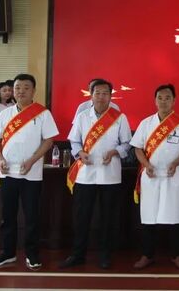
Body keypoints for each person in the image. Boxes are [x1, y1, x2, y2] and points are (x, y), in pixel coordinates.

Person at [0, 73, 59, 270]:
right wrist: (1, 159)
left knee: (32, 216)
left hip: (31, 173)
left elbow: (49, 141)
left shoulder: (42, 113)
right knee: (7, 215)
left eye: (26, 88)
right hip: (7, 173)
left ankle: (32, 253)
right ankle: (7, 253)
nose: (21, 91)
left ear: (33, 91)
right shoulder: (5, 114)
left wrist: (32, 161)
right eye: (17, 88)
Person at [60, 79, 132, 270]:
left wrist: (115, 151)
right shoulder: (83, 116)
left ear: (111, 96)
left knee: (108, 218)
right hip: (86, 173)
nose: (101, 97)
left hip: (110, 174)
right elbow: (74, 141)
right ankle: (78, 254)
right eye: (97, 93)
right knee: (82, 216)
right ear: (91, 95)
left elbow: (126, 144)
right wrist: (79, 153)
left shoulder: (119, 117)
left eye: (105, 93)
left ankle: (105, 255)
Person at [130, 84, 179, 270]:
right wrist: (146, 165)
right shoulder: (146, 123)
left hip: (172, 175)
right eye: (160, 98)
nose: (163, 101)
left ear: (174, 100)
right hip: (151, 175)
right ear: (155, 100)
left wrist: (176, 163)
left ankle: (176, 255)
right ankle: (147, 255)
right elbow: (137, 148)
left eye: (167, 98)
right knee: (149, 216)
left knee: (175, 215)